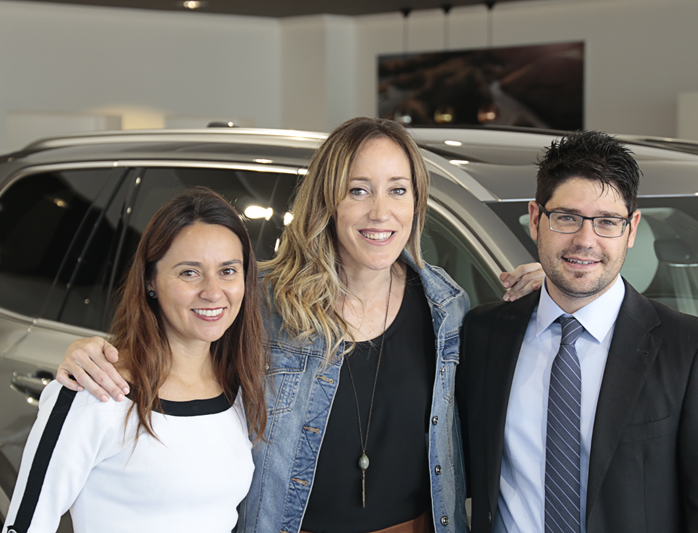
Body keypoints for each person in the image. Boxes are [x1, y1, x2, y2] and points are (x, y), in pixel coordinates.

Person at [54, 117, 543, 533]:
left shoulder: (446, 307)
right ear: (327, 201)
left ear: (417, 202)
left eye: (398, 190)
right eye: (358, 191)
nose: (381, 212)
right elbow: (170, 343)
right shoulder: (260, 302)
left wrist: (557, 284)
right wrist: (90, 351)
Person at [457, 130, 698, 533]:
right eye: (566, 218)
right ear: (535, 219)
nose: (585, 240)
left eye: (607, 222)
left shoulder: (691, 351)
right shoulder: (485, 333)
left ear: (631, 229)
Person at [4, 188, 268, 533]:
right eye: (189, 272)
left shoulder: (241, 390)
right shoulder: (96, 391)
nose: (213, 292)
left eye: (228, 271)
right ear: (150, 281)